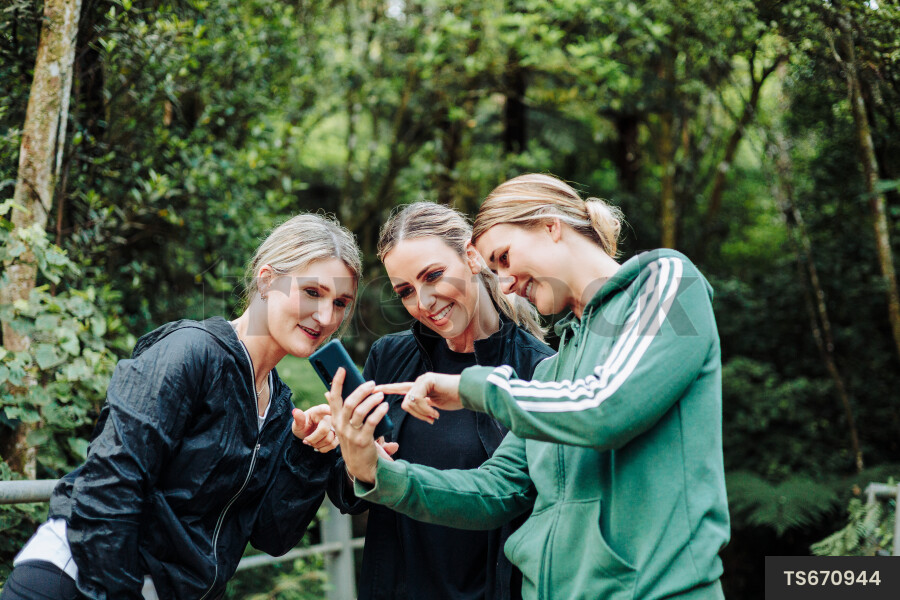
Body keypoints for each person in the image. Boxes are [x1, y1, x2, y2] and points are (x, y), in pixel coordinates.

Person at [332, 174, 731, 600]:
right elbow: (495, 490)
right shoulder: (553, 373)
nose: (504, 283)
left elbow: (605, 406)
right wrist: (375, 471)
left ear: (550, 225)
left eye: (503, 257)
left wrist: (472, 388)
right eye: (494, 268)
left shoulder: (667, 280)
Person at [2, 213, 360, 600]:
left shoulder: (279, 407)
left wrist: (308, 453)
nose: (326, 317)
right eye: (312, 292)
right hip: (78, 580)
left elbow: (271, 536)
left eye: (340, 302)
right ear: (267, 279)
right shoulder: (189, 352)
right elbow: (109, 486)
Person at [327, 202, 554, 600]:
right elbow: (348, 494)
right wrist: (353, 457)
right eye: (406, 291)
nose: (425, 302)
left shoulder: (539, 370)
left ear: (471, 257)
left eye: (433, 275)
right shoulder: (390, 357)